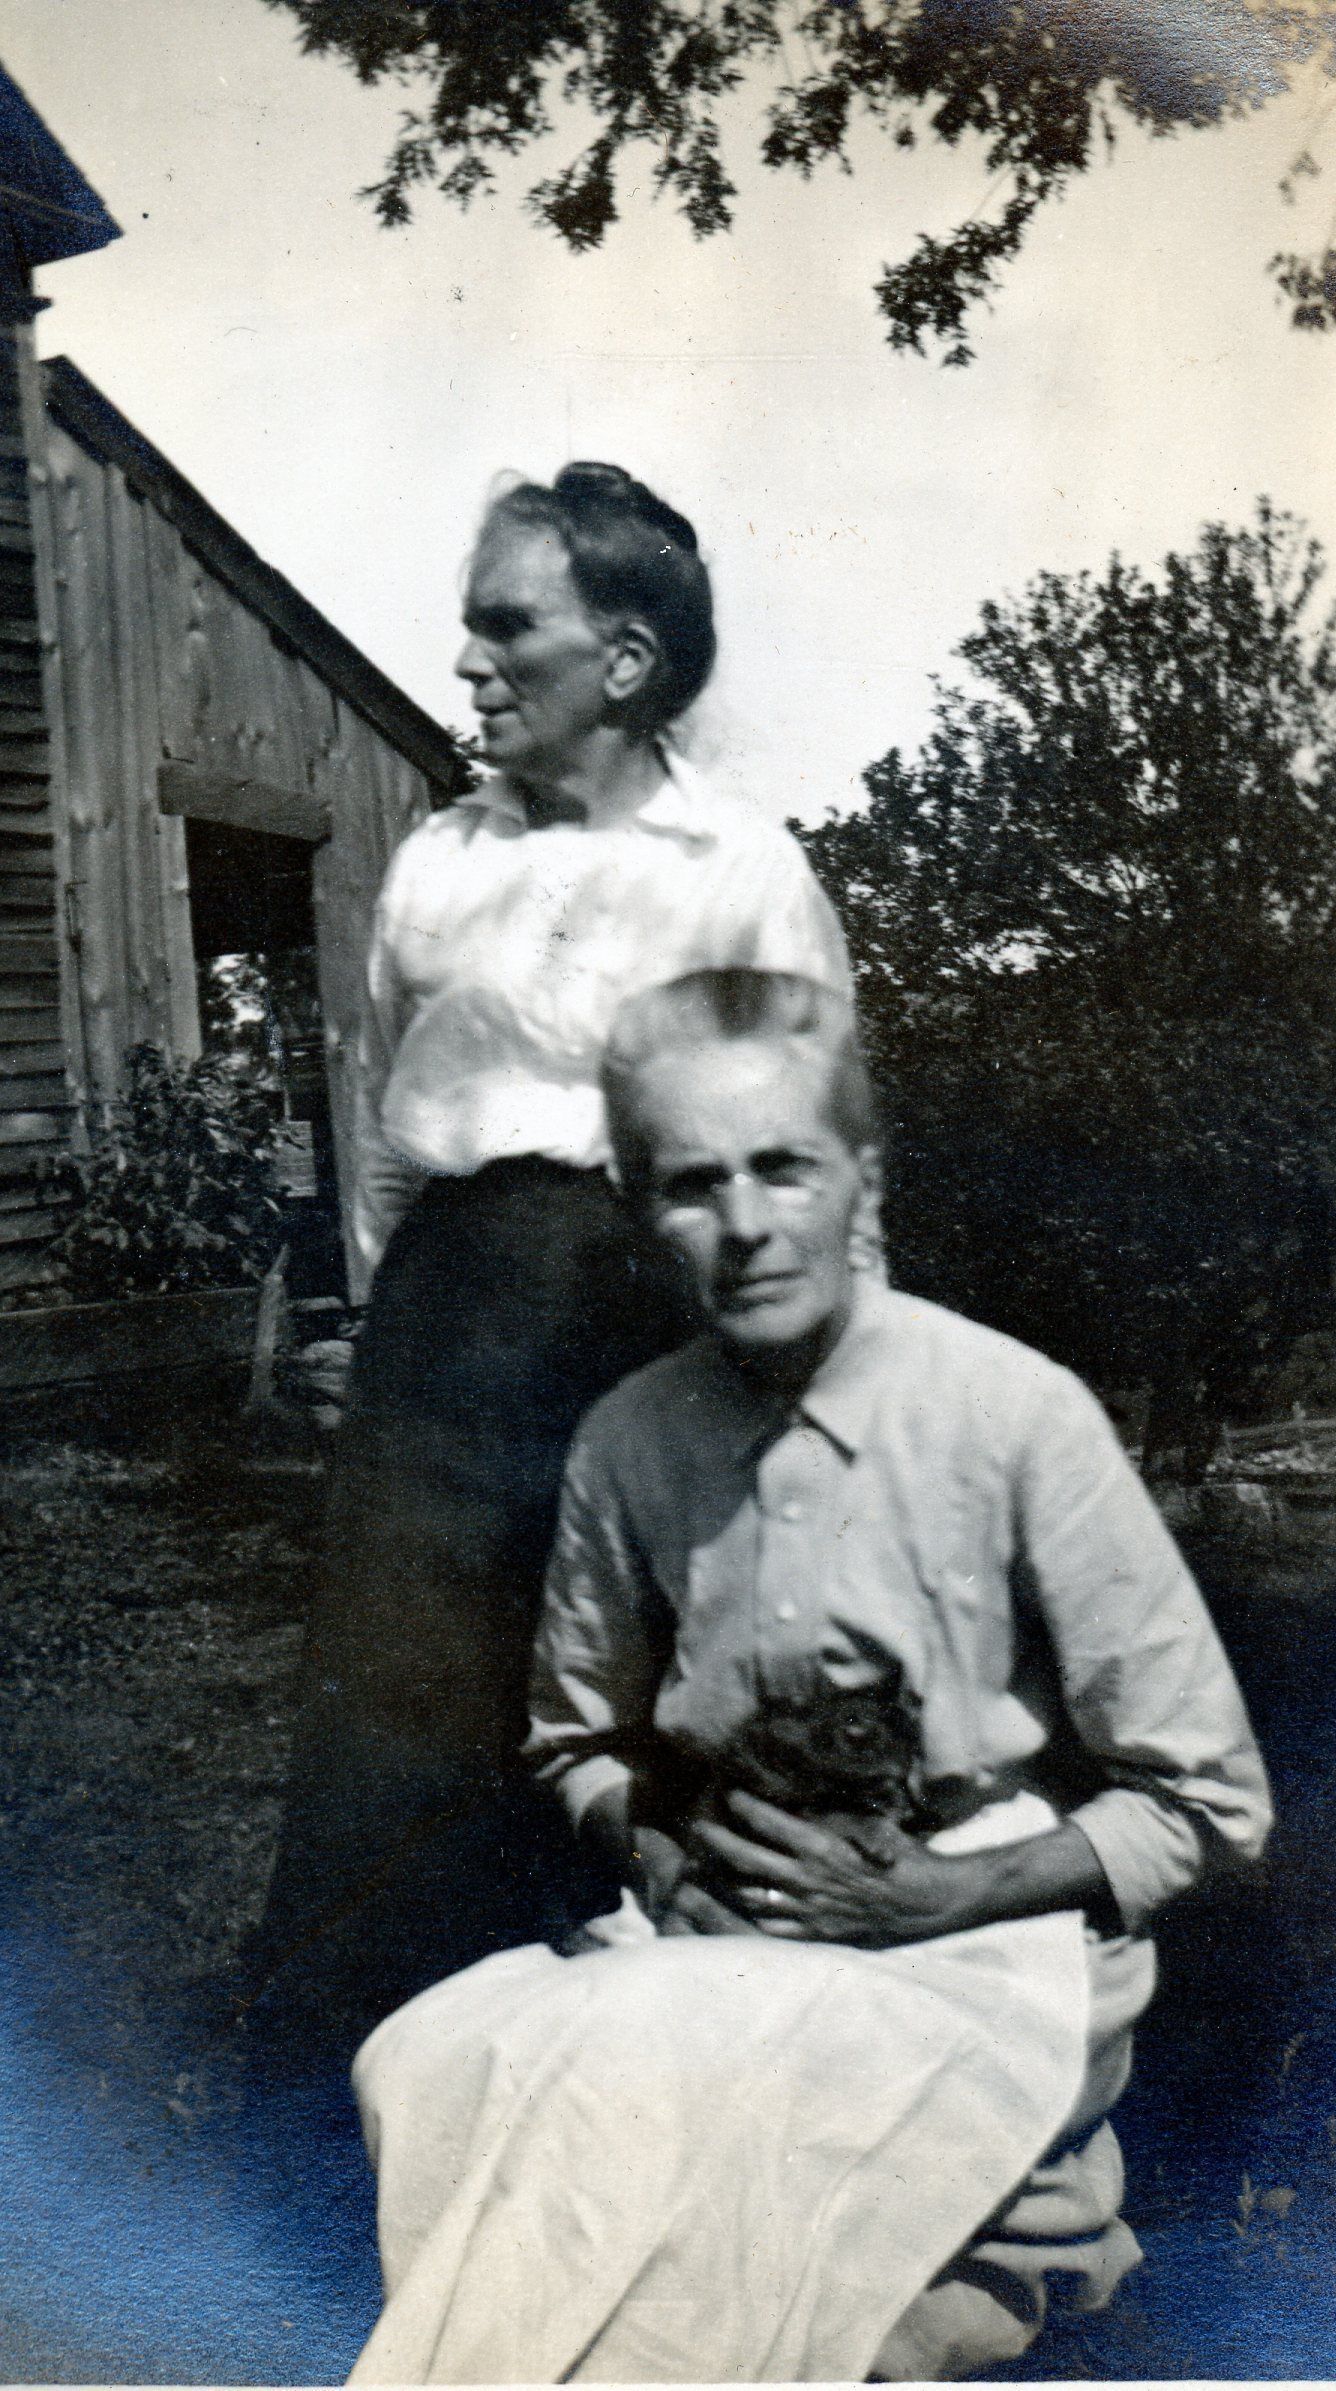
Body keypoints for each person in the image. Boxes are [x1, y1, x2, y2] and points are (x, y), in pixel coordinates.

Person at [349, 968, 1272, 2384]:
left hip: (982, 1945)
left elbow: (1206, 1802)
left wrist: (939, 1895)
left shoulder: (1014, 1416)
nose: (744, 1226)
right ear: (643, 1213)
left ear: (861, 1180)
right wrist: (657, 1850)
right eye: (690, 1184)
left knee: (688, 2169)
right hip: (722, 1924)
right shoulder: (631, 1441)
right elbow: (574, 1739)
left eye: (783, 1167)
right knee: (438, 2061)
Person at [254, 474, 850, 2042]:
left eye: (508, 625)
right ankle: (372, 2082)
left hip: (656, 1322)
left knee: (651, 1703)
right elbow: (391, 1119)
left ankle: (671, 2082)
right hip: (451, 1335)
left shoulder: (736, 868)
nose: (470, 662)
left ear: (628, 659)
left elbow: (816, 1152)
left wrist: (825, 1401)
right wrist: (384, 1322)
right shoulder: (437, 866)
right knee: (407, 1721)